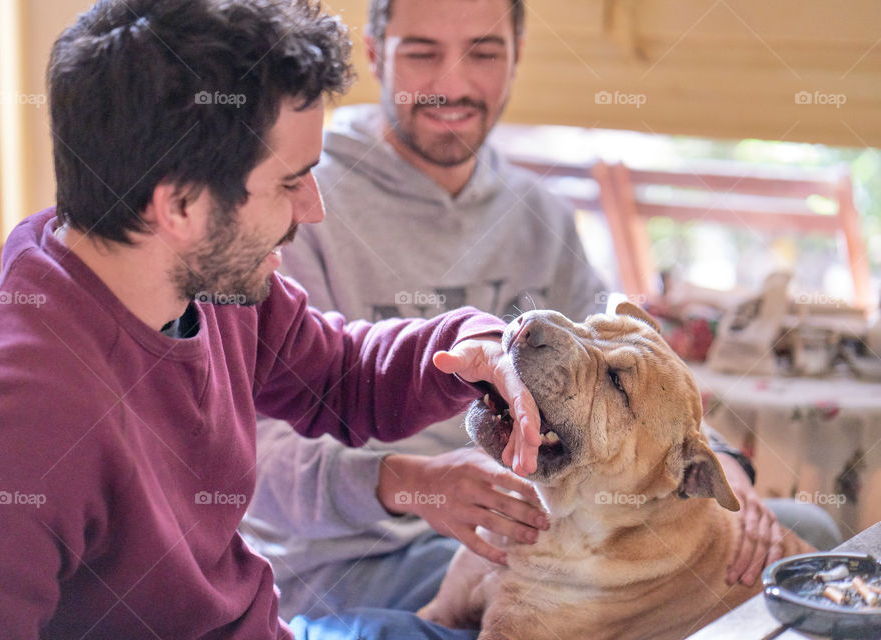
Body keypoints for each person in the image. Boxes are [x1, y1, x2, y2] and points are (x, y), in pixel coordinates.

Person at [0, 1, 544, 639]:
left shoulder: (208, 284)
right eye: (289, 183)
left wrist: (468, 344)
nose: (314, 210)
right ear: (182, 205)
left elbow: (339, 376)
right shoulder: (15, 431)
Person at [242, 0, 841, 623]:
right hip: (360, 560)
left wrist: (723, 469)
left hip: (545, 520)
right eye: (421, 52)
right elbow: (252, 452)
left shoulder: (540, 213)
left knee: (802, 537)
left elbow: (630, 367)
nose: (452, 84)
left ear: (518, 56)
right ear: (374, 53)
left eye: (484, 52)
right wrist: (408, 484)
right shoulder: (293, 202)